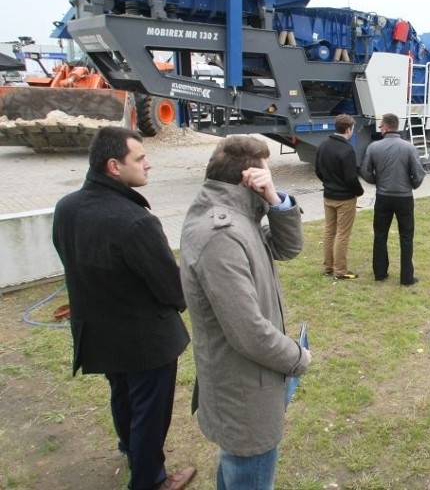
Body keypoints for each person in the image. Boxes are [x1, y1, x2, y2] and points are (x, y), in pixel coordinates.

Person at [51, 126, 195, 490]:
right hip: (145, 341)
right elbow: (172, 289)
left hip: (100, 335)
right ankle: (150, 480)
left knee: (124, 399)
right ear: (113, 166)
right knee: (149, 412)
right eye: (140, 159)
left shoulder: (66, 207)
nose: (149, 165)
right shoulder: (135, 222)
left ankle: (132, 451)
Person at [179, 136, 312, 490]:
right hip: (244, 389)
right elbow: (248, 332)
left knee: (239, 471)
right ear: (247, 177)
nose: (271, 180)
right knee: (249, 472)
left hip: (252, 379)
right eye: (268, 175)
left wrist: (275, 201)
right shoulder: (222, 233)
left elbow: (287, 247)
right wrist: (298, 358)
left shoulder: (240, 218)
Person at [359, 112, 426, 286]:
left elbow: (365, 172)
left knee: (380, 235)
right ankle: (406, 277)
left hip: (383, 197)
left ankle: (380, 273)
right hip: (404, 198)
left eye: (381, 126)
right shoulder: (409, 147)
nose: (380, 129)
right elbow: (418, 174)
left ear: (386, 127)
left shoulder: (373, 147)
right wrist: (411, 185)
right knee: (406, 237)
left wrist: (377, 181)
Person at [315, 113, 364, 280]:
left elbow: (318, 171)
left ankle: (328, 267)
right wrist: (359, 191)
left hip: (328, 195)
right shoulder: (347, 149)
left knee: (329, 231)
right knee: (343, 234)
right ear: (349, 129)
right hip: (345, 198)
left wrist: (328, 183)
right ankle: (340, 271)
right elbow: (351, 177)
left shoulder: (323, 146)